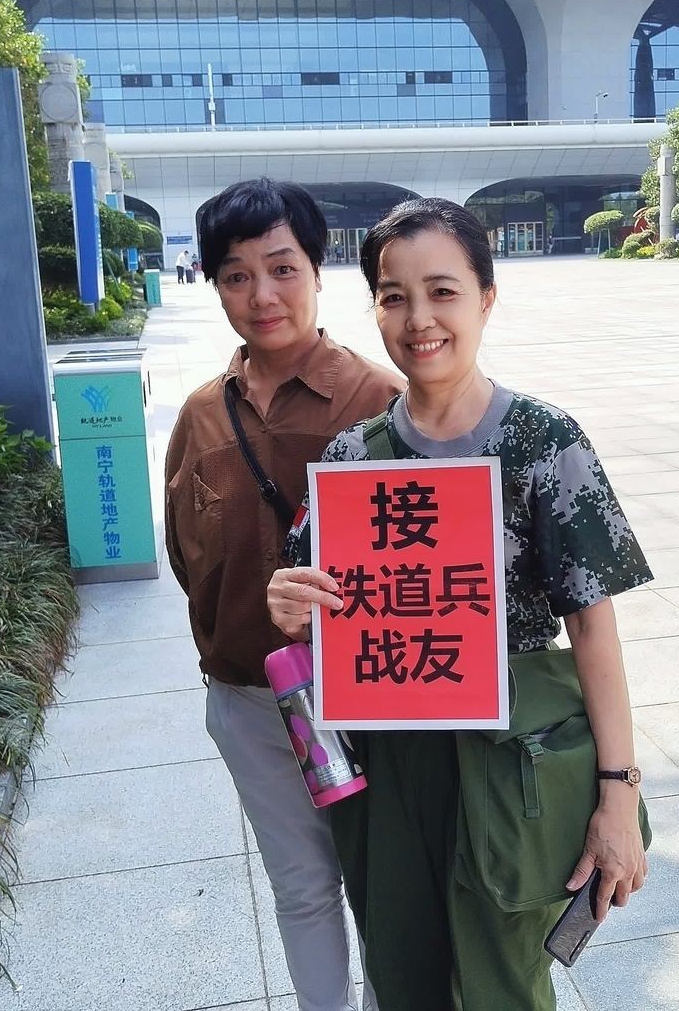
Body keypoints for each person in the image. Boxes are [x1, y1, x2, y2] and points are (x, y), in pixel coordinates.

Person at [268, 198, 652, 1011]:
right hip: (389, 769)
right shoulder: (352, 458)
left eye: (442, 291)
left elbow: (593, 625)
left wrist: (618, 791)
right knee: (403, 975)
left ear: (486, 297)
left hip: (513, 761)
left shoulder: (545, 444)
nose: (419, 319)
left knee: (503, 984)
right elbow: (314, 603)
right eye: (393, 296)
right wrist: (291, 601)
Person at [165, 178, 403, 1011]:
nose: (262, 295)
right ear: (214, 284)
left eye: (281, 268)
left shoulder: (379, 403)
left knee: (382, 885)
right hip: (248, 699)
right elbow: (187, 554)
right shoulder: (202, 414)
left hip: (369, 703)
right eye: (236, 276)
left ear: (317, 269)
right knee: (301, 887)